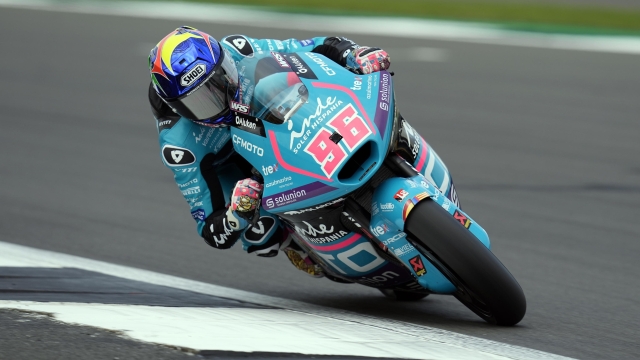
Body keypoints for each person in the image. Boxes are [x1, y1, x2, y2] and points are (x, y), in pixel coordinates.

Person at [148, 26, 456, 279]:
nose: (217, 100)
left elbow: (312, 48)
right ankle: (300, 247)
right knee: (261, 235)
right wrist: (233, 216)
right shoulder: (180, 143)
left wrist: (355, 54)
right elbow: (208, 227)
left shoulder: (240, 50)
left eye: (218, 83)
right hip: (239, 165)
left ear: (225, 63)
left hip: (280, 119)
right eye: (201, 101)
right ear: (180, 109)